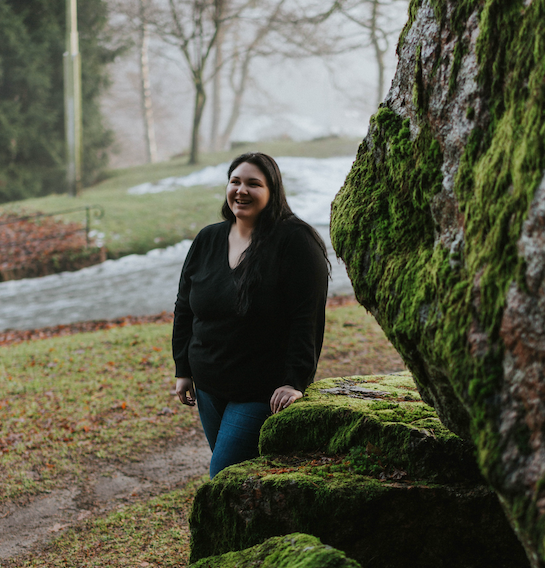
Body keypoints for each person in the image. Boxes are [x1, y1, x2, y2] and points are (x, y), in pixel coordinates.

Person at [172, 152, 329, 478]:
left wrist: (294, 380)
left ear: (273, 191)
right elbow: (185, 306)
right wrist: (183, 368)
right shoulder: (208, 239)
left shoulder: (296, 242)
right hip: (208, 385)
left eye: (253, 184)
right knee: (241, 478)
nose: (241, 190)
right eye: (235, 181)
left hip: (261, 391)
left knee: (223, 474)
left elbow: (307, 318)